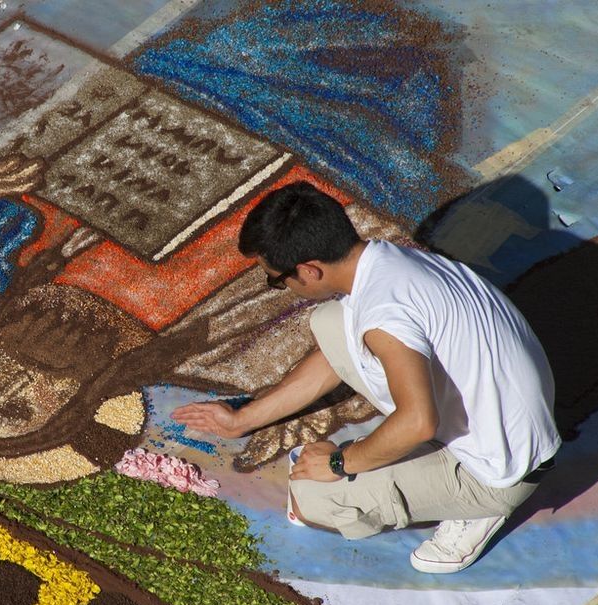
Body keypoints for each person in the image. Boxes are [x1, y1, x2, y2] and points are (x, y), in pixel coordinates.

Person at [171, 181, 561, 574]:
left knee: (311, 498)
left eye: (276, 279)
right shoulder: (384, 263)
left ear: (308, 270)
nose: (279, 288)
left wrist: (341, 463)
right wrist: (243, 420)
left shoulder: (384, 316)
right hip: (512, 411)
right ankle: (420, 470)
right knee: (332, 321)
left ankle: (477, 509)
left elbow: (418, 422)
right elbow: (340, 351)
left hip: (502, 469)